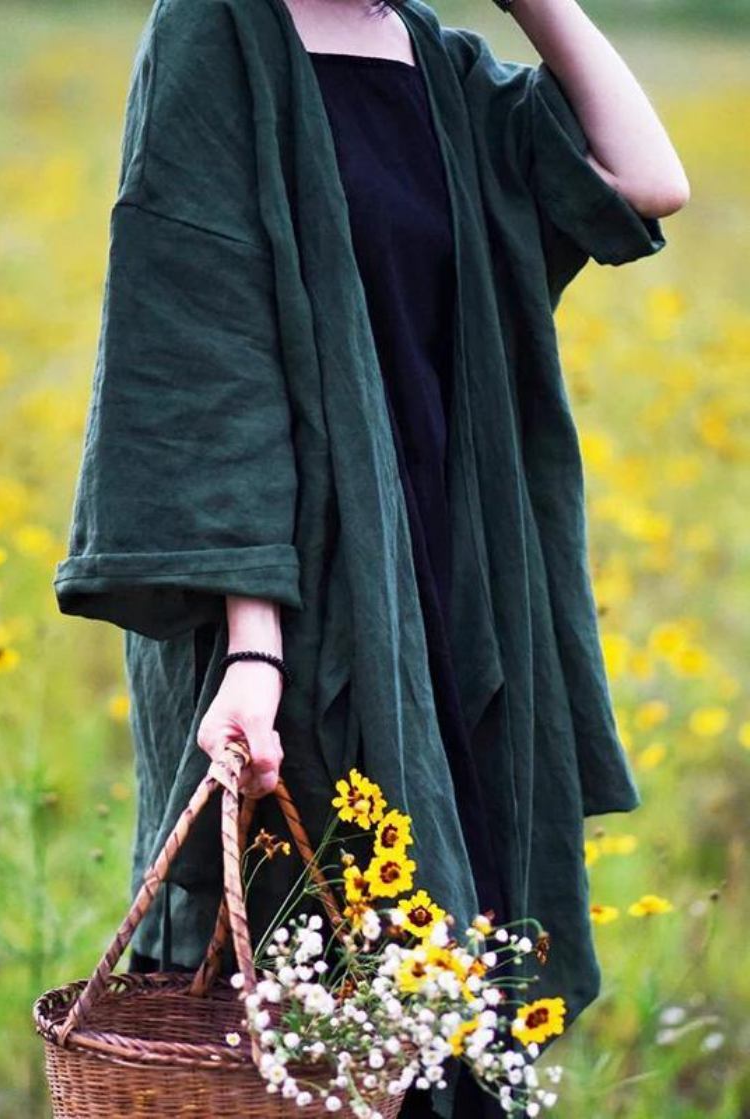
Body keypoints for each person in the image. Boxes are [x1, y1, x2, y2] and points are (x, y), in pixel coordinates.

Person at [52, 0, 688, 1115]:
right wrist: (255, 651)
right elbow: (205, 339)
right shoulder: (216, 31)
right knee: (306, 968)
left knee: (454, 973)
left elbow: (642, 182)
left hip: (451, 583)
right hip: (291, 595)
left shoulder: (435, 59)